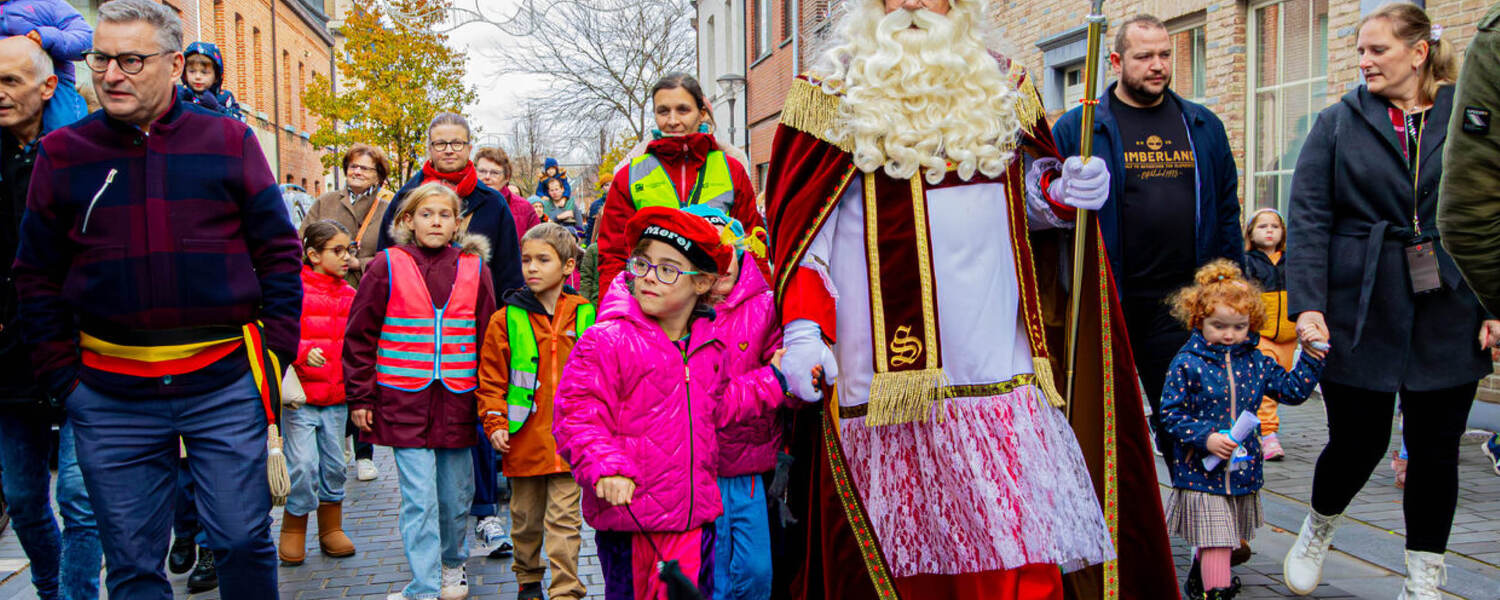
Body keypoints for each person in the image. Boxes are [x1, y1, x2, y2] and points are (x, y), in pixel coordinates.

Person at [764, 0, 1181, 597]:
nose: (909, 4)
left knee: (1013, 545)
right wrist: (805, 331)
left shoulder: (1002, 83)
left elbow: (1025, 203)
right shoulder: (829, 94)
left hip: (998, 362)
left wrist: (1062, 191)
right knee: (899, 559)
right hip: (880, 380)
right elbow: (807, 239)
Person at [13, 1, 303, 597]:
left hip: (224, 384)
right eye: (100, 59)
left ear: (174, 65)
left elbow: (278, 252)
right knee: (132, 565)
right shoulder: (63, 154)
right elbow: (36, 274)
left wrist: (274, 356)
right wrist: (63, 380)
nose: (110, 74)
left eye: (130, 60)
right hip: (109, 397)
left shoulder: (229, 140)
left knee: (243, 542)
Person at [1282, 4, 1500, 597]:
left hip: (1449, 301)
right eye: (1360, 51)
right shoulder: (1336, 122)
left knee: (1435, 452)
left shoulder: (1467, 118)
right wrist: (1307, 305)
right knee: (1358, 442)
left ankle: (1424, 576)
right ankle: (1318, 526)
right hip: (1360, 305)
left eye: (1377, 49)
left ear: (1418, 52)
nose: (1364, 61)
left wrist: (1493, 304)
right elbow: (1307, 219)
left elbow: (1492, 208)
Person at [554, 206, 787, 600]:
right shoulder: (607, 339)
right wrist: (606, 467)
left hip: (694, 522)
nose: (649, 278)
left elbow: (721, 404)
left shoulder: (709, 345)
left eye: (668, 269)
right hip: (632, 524)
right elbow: (578, 415)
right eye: (642, 264)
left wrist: (775, 379)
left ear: (703, 283)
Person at [1052, 14, 1243, 471]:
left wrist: (1233, 293)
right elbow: (1050, 219)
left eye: (1164, 54)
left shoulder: (1201, 126)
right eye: (1144, 56)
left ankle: (1207, 529)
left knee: (1192, 418)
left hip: (1181, 303)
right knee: (1101, 423)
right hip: (1106, 299)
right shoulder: (1079, 129)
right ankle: (1112, 528)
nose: (1158, 65)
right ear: (1116, 61)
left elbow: (1226, 213)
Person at [346, 183, 497, 600]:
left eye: (444, 215)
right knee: (418, 500)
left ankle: (452, 567)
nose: (435, 222)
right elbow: (359, 335)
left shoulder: (473, 268)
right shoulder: (385, 266)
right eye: (426, 214)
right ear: (408, 221)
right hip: (402, 403)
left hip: (458, 403)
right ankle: (424, 586)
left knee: (454, 497)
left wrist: (492, 403)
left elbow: (489, 341)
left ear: (457, 223)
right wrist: (360, 397)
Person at [376, 113, 522, 539]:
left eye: (457, 143)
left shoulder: (491, 202)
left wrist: (504, 327)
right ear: (429, 147)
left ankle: (483, 509)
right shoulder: (406, 196)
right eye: (440, 144)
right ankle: (435, 523)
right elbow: (389, 266)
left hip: (474, 327)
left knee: (475, 419)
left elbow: (510, 270)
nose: (449, 151)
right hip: (418, 338)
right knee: (428, 432)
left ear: (468, 144)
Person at [0, 34, 102, 600]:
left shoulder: (82, 155)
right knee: (21, 497)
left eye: (11, 81)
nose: (0, 94)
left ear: (46, 87)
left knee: (79, 498)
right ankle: (49, 586)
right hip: (11, 357)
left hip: (80, 349)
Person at [1159, 260, 1325, 600]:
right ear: (1198, 320)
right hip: (1199, 471)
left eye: (1239, 326)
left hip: (1242, 471)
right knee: (1219, 539)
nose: (1230, 334)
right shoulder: (1187, 361)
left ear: (1252, 324)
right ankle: (1218, 592)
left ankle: (1200, 577)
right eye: (1218, 325)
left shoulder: (1257, 360)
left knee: (1225, 540)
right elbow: (1170, 414)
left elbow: (1292, 390)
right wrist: (1206, 436)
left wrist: (1310, 357)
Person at [476, 222, 591, 600]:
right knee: (525, 522)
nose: (532, 268)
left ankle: (565, 591)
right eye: (526, 260)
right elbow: (491, 380)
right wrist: (494, 422)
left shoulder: (587, 316)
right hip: (523, 442)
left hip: (570, 443)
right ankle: (528, 579)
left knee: (565, 522)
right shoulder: (505, 320)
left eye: (543, 259)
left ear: (568, 266)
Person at [682, 205, 781, 600]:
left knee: (757, 571)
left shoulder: (766, 306)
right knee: (712, 571)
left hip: (749, 465)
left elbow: (785, 373)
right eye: (710, 258)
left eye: (729, 256)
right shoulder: (680, 312)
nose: (722, 267)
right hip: (697, 466)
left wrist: (784, 377)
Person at [595, 73, 763, 288]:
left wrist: (760, 306)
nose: (673, 121)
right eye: (663, 111)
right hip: (650, 307)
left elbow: (754, 248)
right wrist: (615, 313)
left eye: (683, 110)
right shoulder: (629, 176)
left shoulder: (732, 170)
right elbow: (612, 257)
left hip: (720, 306)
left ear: (702, 113)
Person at [306, 144, 396, 482]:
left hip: (369, 299)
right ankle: (337, 441)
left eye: (365, 169)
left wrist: (364, 263)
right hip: (325, 299)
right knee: (331, 369)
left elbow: (396, 252)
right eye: (353, 167)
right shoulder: (326, 203)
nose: (357, 172)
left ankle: (364, 451)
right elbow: (306, 242)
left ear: (379, 175)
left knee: (362, 369)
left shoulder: (386, 209)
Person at [278, 220, 359, 566]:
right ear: (312, 254)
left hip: (337, 398)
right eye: (337, 251)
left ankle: (331, 528)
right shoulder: (293, 290)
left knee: (335, 465)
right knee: (302, 466)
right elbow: (276, 329)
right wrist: (299, 352)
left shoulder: (351, 295)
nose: (346, 258)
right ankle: (294, 527)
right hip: (301, 399)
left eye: (349, 250)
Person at [1242, 208, 1295, 461]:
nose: (1270, 230)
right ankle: (1269, 434)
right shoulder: (1247, 262)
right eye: (1262, 226)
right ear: (1251, 233)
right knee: (1264, 385)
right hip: (1262, 335)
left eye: (1274, 226)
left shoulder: (1292, 259)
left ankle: (1252, 427)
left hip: (1290, 335)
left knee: (1281, 386)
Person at [0, 0, 91, 131]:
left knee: (63, 132)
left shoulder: (50, 4)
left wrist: (47, 36)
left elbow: (86, 39)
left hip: (53, 83)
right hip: (6, 84)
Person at [476, 146, 541, 244]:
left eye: (494, 173)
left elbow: (538, 245)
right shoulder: (464, 203)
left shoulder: (525, 208)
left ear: (507, 177)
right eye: (482, 171)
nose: (487, 177)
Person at [176, 41, 241, 120]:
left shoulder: (224, 97)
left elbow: (240, 124)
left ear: (216, 76)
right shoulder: (178, 93)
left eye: (204, 72)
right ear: (184, 73)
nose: (198, 77)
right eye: (192, 71)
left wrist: (217, 108)